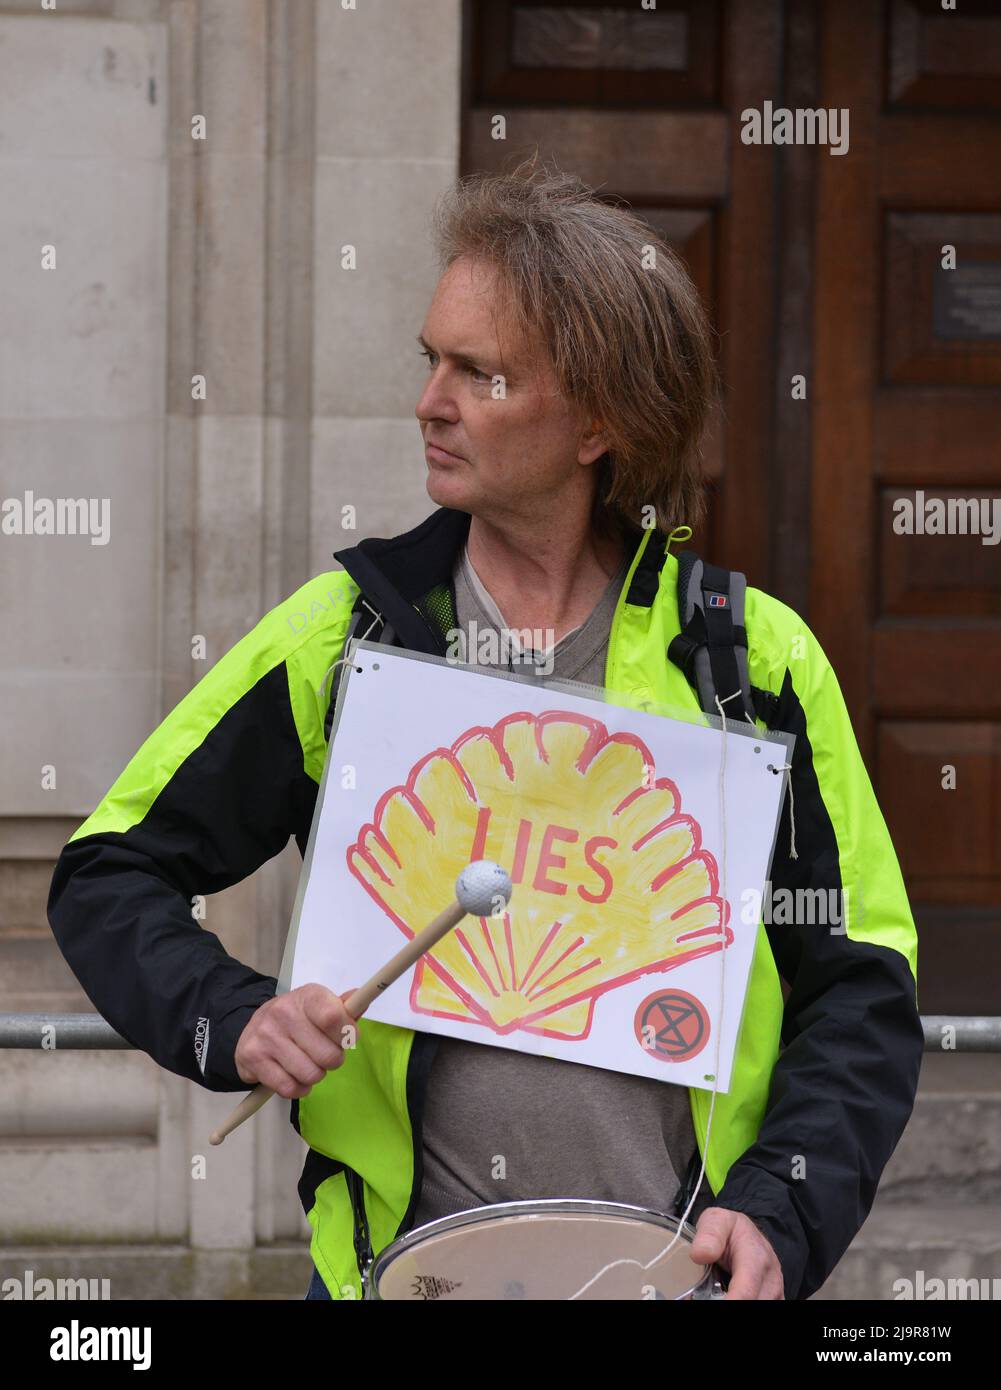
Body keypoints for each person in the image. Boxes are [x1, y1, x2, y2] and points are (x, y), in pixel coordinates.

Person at [48, 160, 922, 1302]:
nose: (429, 400)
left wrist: (780, 1207)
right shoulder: (341, 640)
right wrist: (230, 1018)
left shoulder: (749, 664)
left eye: (480, 373)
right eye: (430, 361)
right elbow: (107, 871)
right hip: (393, 1282)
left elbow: (862, 980)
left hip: (668, 1282)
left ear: (599, 421)